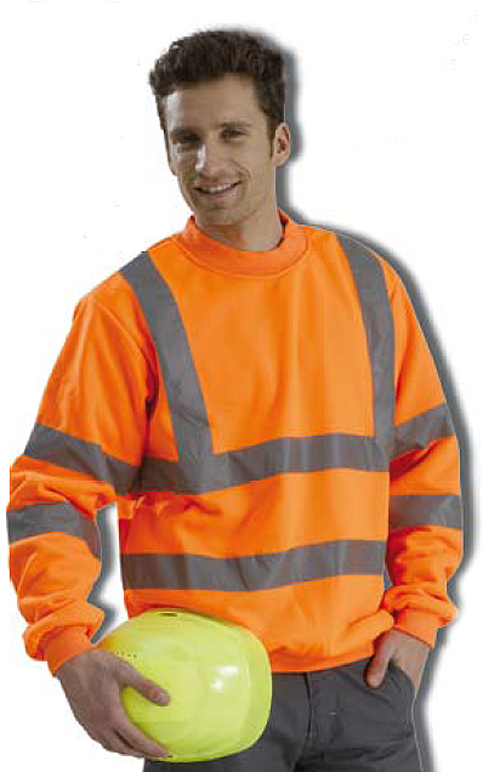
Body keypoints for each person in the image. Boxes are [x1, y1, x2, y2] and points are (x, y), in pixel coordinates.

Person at [7, 27, 463, 772]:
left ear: (280, 142)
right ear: (165, 149)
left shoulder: (366, 285)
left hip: (366, 684)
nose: (206, 163)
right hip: (203, 696)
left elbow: (424, 465)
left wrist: (417, 619)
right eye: (185, 138)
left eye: (231, 134)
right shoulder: (128, 310)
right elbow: (52, 492)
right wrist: (66, 647)